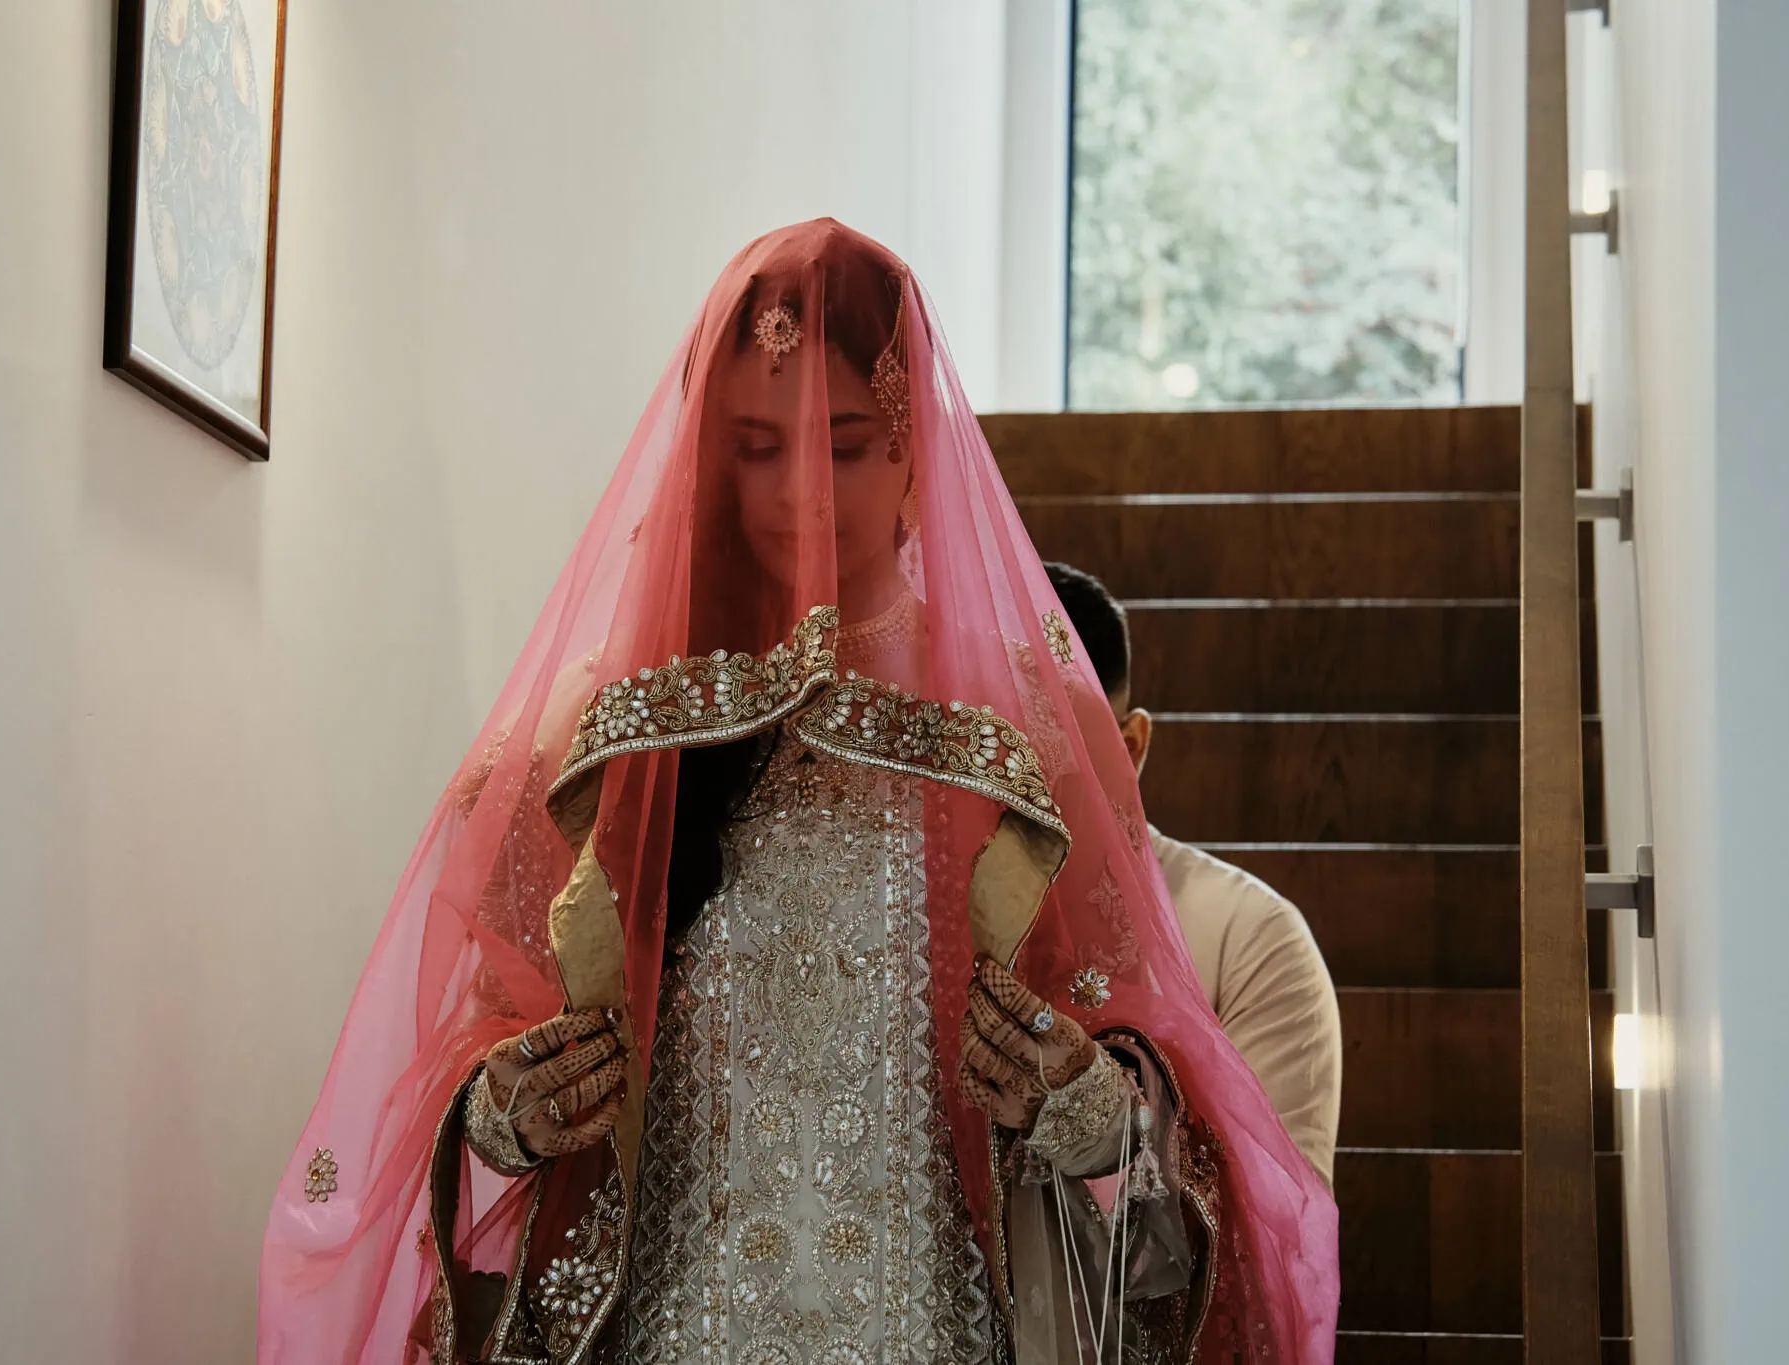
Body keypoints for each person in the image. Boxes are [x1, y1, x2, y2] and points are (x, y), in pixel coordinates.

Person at [258, 221, 1337, 1365]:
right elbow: (487, 1029)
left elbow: (1135, 1034)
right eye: (757, 447)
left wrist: (1088, 1108)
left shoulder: (1021, 730)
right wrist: (500, 1117)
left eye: (844, 444)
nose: (799, 495)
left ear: (915, 445)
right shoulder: (614, 726)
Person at [1042, 562, 1342, 1190]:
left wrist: (1093, 1119)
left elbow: (1275, 1241)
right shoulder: (906, 919)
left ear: (1130, 750)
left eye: (1049, 749)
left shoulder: (1250, 939)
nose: (1010, 783)